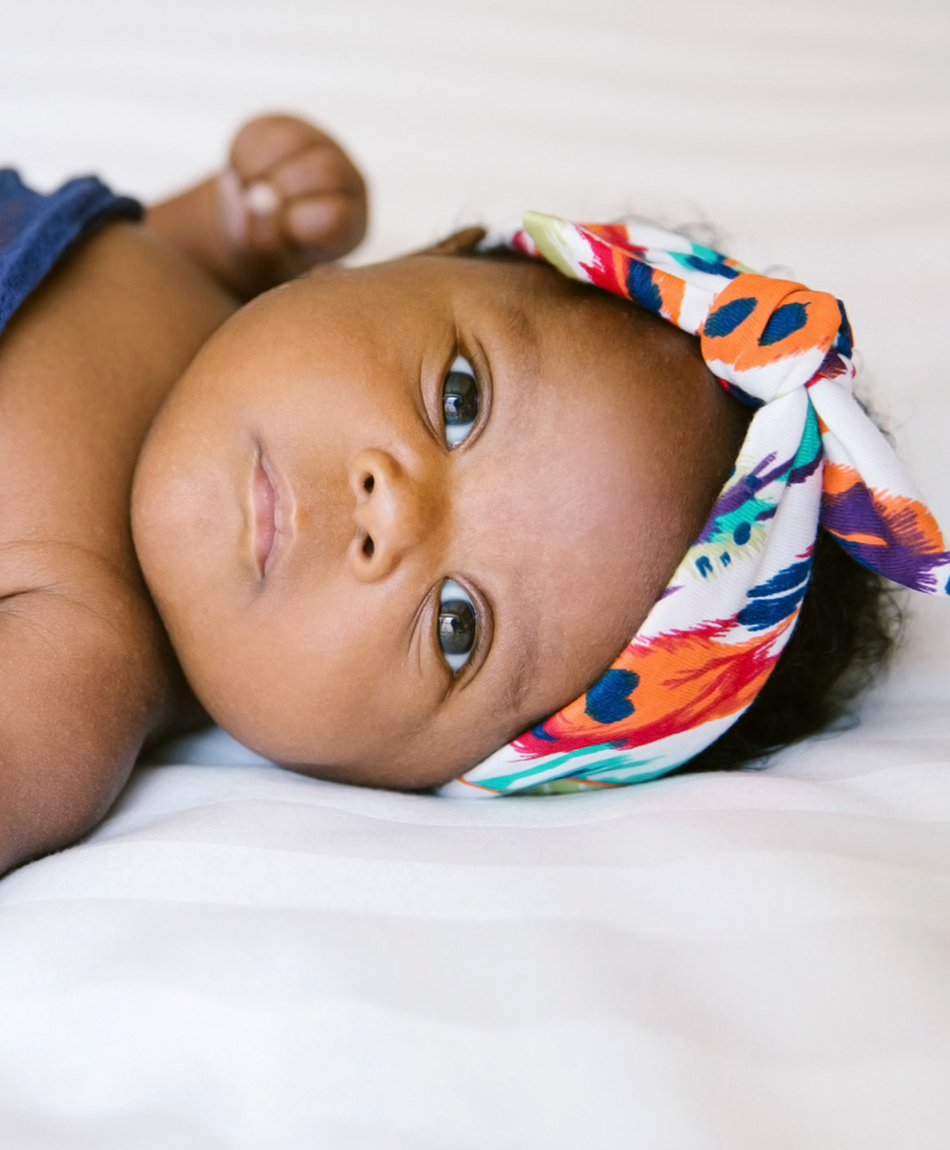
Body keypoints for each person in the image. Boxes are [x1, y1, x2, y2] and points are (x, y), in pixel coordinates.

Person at [0, 115, 944, 875]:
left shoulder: (69, 682)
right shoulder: (205, 305)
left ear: (421, 776)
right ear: (425, 259)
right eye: (460, 400)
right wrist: (236, 222)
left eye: (459, 626)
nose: (393, 513)